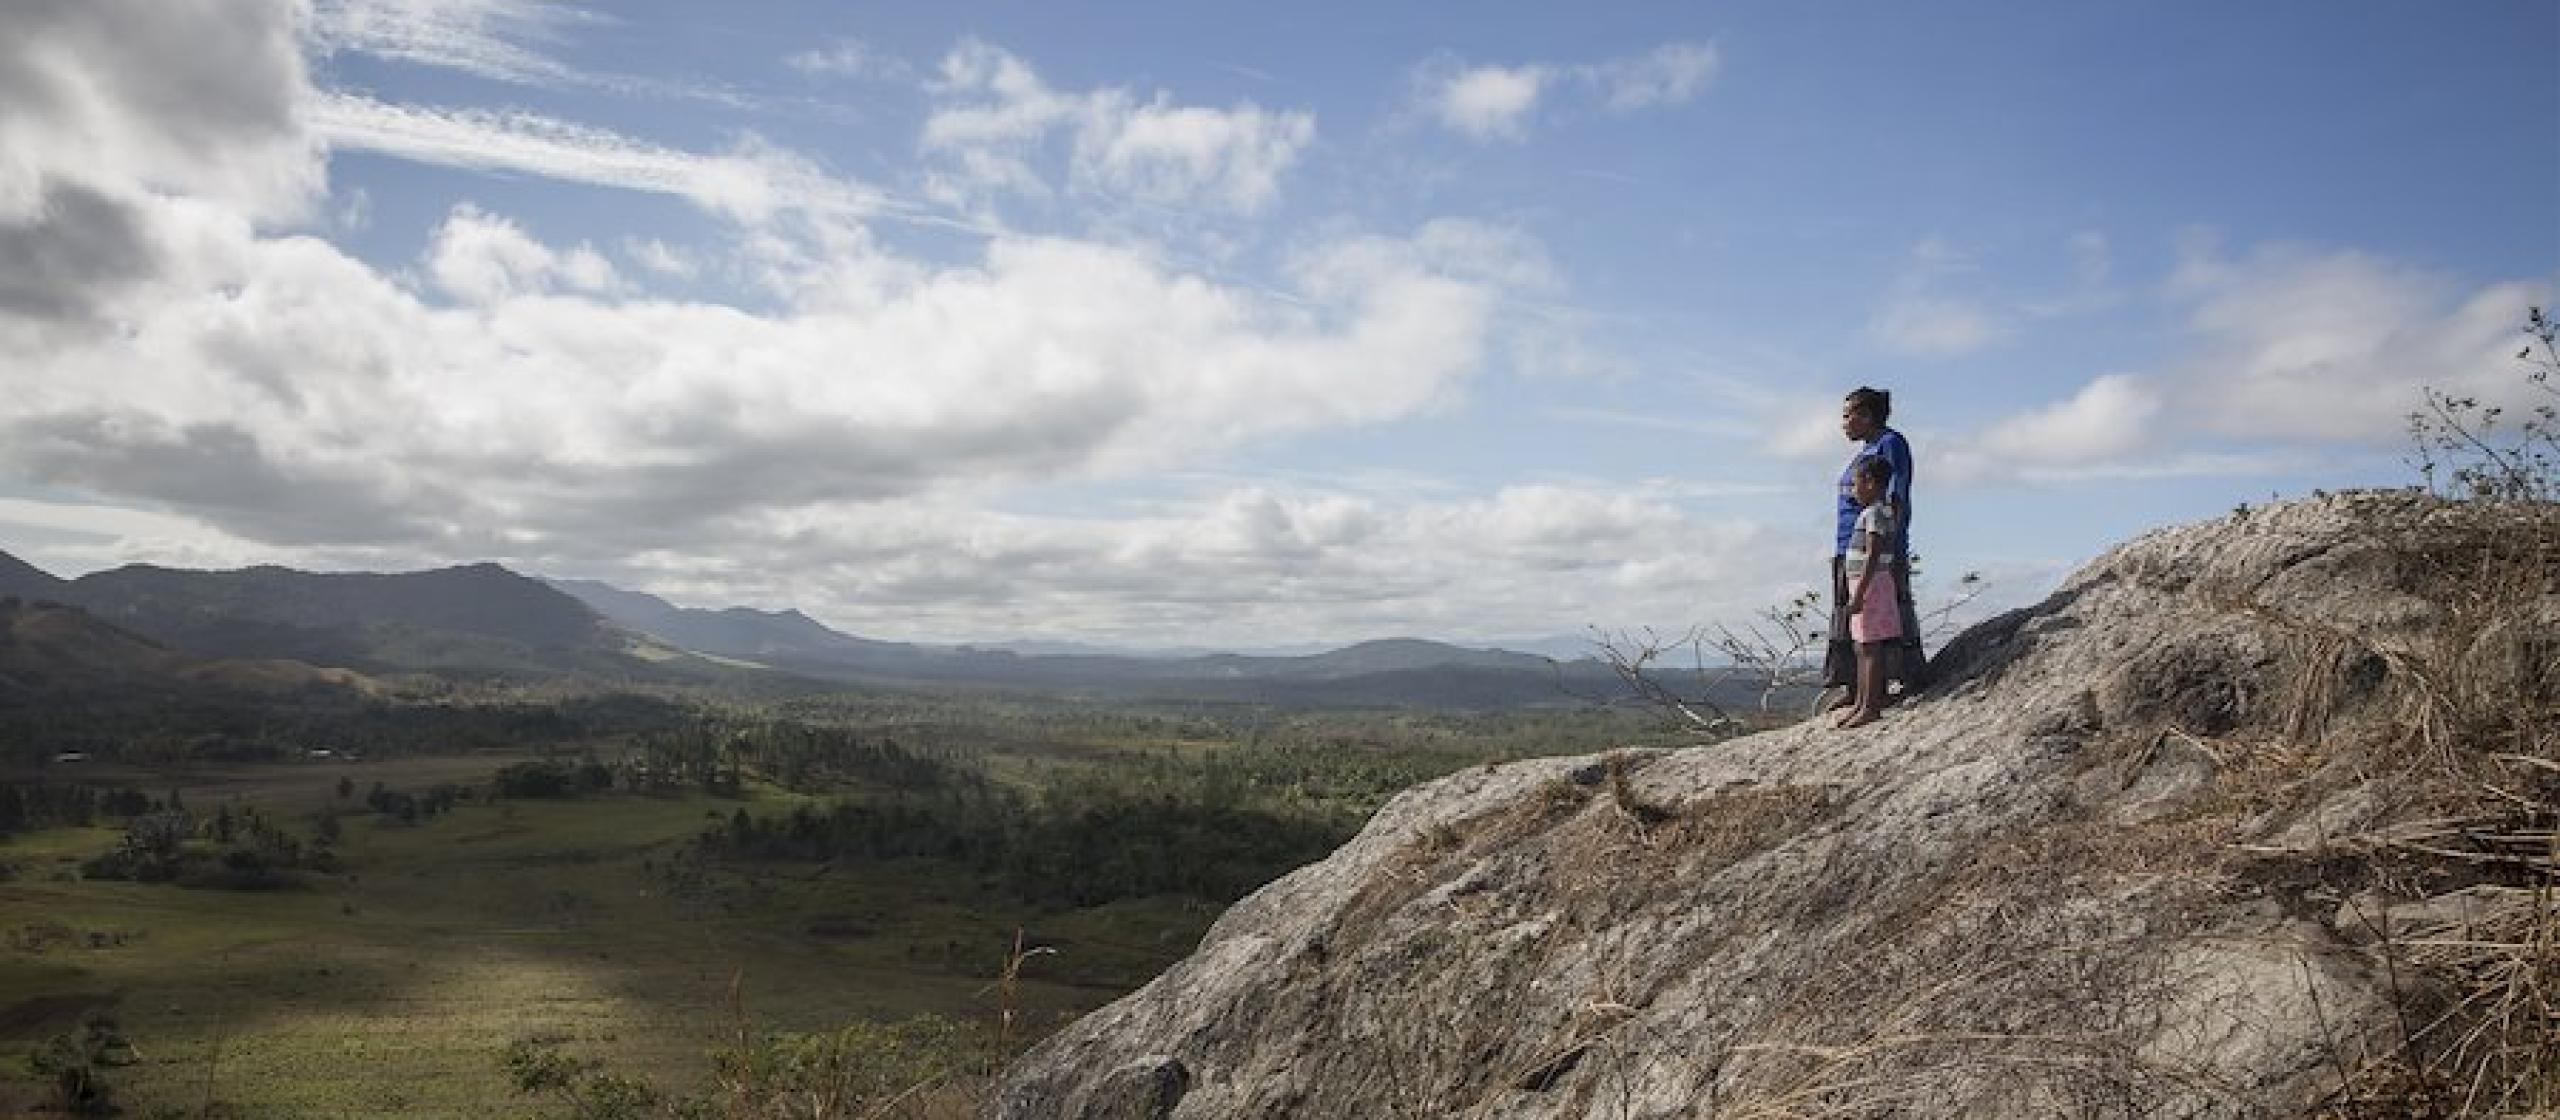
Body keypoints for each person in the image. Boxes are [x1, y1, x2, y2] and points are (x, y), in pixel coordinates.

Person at [1824, 386, 1925, 708]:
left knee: (1883, 614)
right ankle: (1856, 687)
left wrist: (1890, 549)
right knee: (1849, 617)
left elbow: (1896, 497)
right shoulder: (1865, 451)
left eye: (1847, 416)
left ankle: (1896, 682)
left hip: (1876, 548)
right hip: (1849, 546)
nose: (1843, 423)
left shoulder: (1890, 444)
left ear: (1866, 416)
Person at [1834, 456, 1901, 728]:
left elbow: (1874, 552)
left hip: (1870, 584)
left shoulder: (1874, 512)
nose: (1853, 490)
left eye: (1856, 483)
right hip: (1867, 582)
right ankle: (1862, 702)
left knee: (1869, 647)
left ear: (1871, 483)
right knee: (1862, 646)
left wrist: (1860, 592)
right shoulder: (1880, 511)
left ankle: (1870, 706)